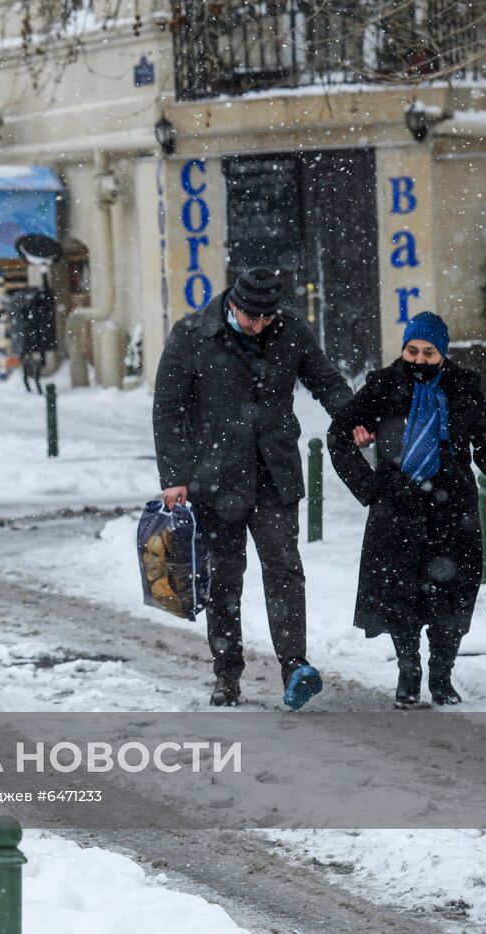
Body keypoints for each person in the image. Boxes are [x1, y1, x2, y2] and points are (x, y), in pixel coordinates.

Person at [153, 267, 352, 709]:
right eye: (249, 318)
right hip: (214, 478)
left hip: (274, 474)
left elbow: (325, 381)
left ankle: (294, 666)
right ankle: (227, 674)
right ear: (233, 304)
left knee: (284, 570)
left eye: (266, 318)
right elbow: (167, 410)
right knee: (224, 580)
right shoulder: (192, 335)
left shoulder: (290, 331)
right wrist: (174, 478)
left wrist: (354, 418)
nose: (258, 326)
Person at [326, 312, 486, 707]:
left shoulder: (463, 388)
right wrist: (368, 486)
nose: (418, 359)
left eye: (428, 352)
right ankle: (409, 671)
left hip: (453, 509)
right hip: (397, 506)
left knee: (453, 595)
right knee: (402, 594)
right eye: (412, 350)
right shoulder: (383, 385)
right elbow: (338, 435)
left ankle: (442, 676)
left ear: (443, 354)